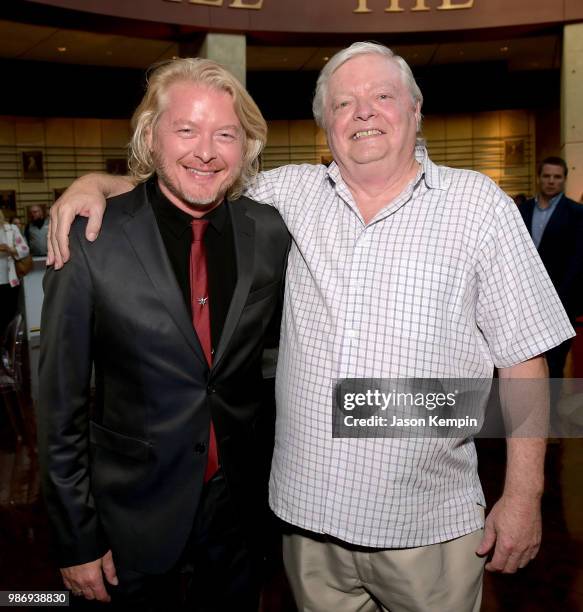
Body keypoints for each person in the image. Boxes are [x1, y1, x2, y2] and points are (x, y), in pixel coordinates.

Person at [48, 43, 572, 612]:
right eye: (344, 102)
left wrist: (523, 495)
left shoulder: (479, 206)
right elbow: (192, 182)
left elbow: (524, 360)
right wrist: (94, 185)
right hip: (305, 526)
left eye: (382, 96)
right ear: (326, 124)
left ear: (416, 110)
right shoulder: (289, 197)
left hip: (428, 527)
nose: (364, 112)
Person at [38, 58, 289, 611]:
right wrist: (76, 537)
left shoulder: (269, 231)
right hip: (128, 518)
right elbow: (60, 409)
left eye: (225, 134)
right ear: (150, 136)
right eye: (186, 130)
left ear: (244, 146)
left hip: (240, 516)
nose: (206, 150)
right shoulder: (91, 241)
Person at [518, 157, 583, 379]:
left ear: (564, 179)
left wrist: (561, 299)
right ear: (539, 178)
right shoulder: (522, 210)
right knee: (523, 363)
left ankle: (550, 412)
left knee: (554, 365)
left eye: (557, 177)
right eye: (547, 176)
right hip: (523, 301)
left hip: (561, 303)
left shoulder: (577, 214)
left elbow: (577, 261)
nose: (551, 181)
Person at [0, 209, 29, 337]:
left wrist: (9, 249)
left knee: (9, 316)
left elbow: (24, 249)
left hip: (9, 281)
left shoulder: (11, 229)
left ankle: (8, 347)